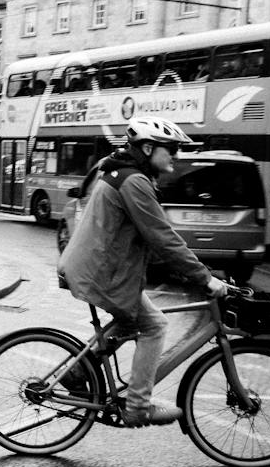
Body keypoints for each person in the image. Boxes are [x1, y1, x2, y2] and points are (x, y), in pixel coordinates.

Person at [56, 116, 232, 426]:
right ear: (148, 148)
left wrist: (187, 267)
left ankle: (77, 372)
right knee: (154, 326)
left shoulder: (120, 170)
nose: (175, 156)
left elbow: (147, 235)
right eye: (171, 150)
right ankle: (138, 407)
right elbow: (162, 237)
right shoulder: (134, 181)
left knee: (132, 320)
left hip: (97, 267)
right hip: (102, 272)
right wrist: (204, 278)